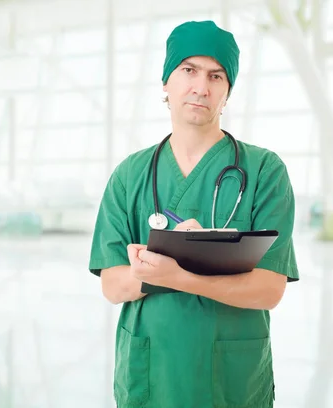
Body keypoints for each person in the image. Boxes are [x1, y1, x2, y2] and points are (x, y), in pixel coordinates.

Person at [89, 20, 299, 408]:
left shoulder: (264, 171)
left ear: (227, 92)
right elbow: (112, 285)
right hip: (151, 377)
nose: (201, 87)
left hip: (230, 381)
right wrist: (149, 272)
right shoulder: (130, 175)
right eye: (189, 70)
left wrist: (180, 276)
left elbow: (269, 290)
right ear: (166, 82)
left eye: (216, 75)